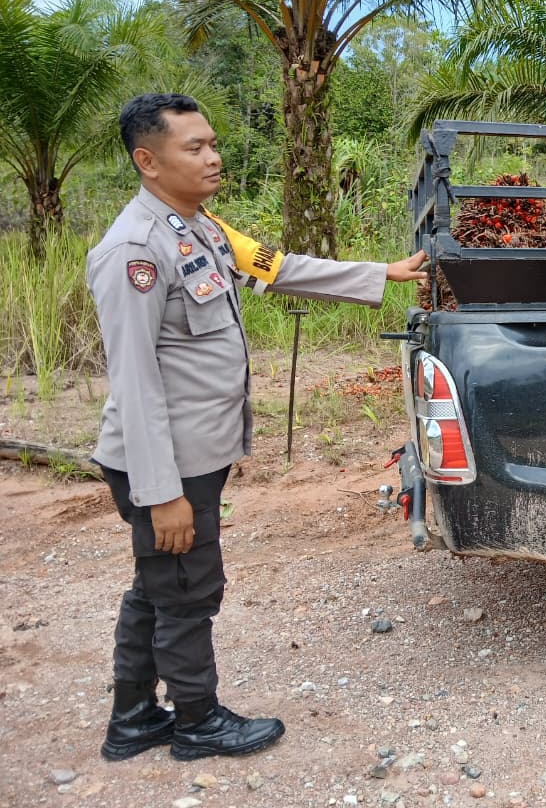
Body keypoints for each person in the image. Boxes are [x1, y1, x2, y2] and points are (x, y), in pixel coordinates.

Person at [89, 93, 427, 762]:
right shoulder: (136, 249)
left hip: (194, 454)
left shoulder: (201, 227)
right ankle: (196, 722)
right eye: (195, 148)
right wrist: (162, 494)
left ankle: (132, 718)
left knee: (157, 585)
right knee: (189, 590)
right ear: (147, 161)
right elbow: (134, 383)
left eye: (213, 143)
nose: (213, 157)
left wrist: (379, 273)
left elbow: (276, 266)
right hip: (168, 464)